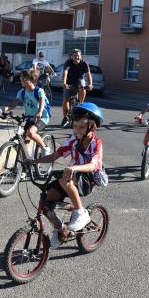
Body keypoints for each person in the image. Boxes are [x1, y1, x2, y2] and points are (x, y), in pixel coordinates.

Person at [30, 102, 105, 247]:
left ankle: (81, 213)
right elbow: (54, 156)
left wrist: (75, 168)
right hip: (71, 177)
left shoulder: (97, 143)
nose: (77, 130)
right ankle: (61, 231)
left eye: (82, 127)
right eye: (75, 126)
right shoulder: (73, 140)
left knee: (66, 175)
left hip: (87, 180)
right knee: (46, 201)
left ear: (93, 127)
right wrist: (33, 161)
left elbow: (94, 165)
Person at [0, 68, 52, 155]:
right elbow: (14, 104)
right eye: (21, 79)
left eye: (24, 79)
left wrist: (39, 112)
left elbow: (42, 102)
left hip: (42, 118)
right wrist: (4, 109)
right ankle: (26, 164)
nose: (22, 80)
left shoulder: (39, 91)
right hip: (29, 119)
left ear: (31, 80)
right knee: (24, 144)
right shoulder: (22, 92)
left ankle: (45, 147)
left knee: (31, 132)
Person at [61, 49, 93, 128]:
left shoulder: (84, 63)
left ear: (80, 56)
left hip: (79, 82)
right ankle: (65, 117)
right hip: (69, 83)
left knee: (82, 84)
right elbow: (65, 73)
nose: (77, 57)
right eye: (75, 56)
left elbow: (88, 75)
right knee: (66, 100)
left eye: (78, 56)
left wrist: (90, 84)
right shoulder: (68, 63)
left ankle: (80, 103)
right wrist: (64, 83)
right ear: (72, 56)